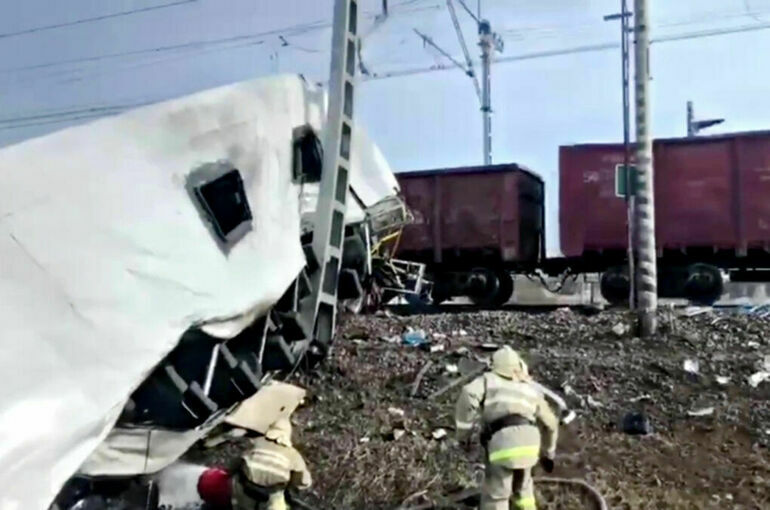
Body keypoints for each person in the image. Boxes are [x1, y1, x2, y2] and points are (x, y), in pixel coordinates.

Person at [454, 346, 559, 510]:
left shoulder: (488, 379)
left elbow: (468, 394)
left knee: (497, 495)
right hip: (530, 444)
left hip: (504, 442)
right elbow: (551, 424)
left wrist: (464, 434)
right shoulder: (530, 388)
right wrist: (550, 453)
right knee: (524, 490)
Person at [198, 418, 312, 510]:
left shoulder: (256, 443)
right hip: (270, 497)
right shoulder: (293, 455)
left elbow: (235, 465)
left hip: (243, 491)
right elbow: (304, 482)